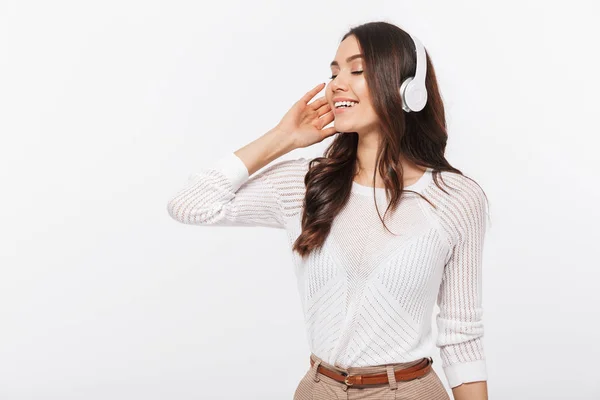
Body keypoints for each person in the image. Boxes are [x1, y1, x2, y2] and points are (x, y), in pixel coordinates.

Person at [167, 21, 490, 400]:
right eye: (334, 72)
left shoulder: (454, 198)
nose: (336, 84)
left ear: (408, 90)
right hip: (318, 389)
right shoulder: (307, 186)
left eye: (357, 70)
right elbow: (190, 204)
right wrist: (283, 138)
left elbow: (461, 336)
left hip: (407, 391)